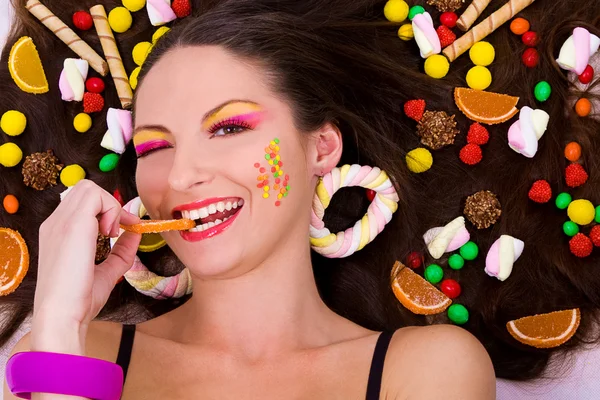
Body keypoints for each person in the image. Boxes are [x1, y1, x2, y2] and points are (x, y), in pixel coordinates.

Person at [0, 0, 598, 398]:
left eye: (229, 128)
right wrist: (57, 319)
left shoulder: (426, 372)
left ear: (321, 149)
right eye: (155, 146)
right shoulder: (75, 352)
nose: (179, 175)